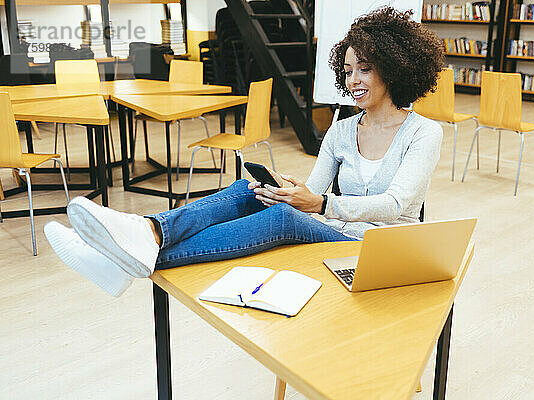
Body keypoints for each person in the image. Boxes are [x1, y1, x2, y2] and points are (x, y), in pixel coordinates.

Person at [44, 7, 445, 297]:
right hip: (333, 229)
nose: (353, 80)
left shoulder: (424, 133)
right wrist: (287, 188)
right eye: (348, 70)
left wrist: (319, 203)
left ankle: (118, 254)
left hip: (380, 249)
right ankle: (147, 232)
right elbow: (314, 192)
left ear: (394, 67)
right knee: (248, 188)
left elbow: (395, 205)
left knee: (282, 217)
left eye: (364, 69)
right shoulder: (341, 131)